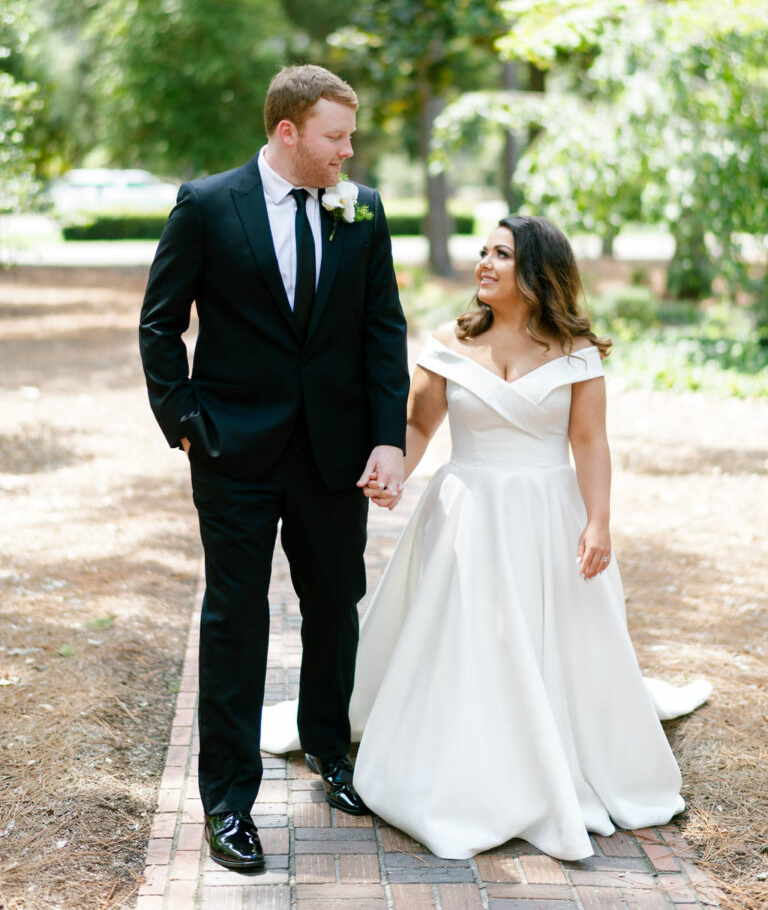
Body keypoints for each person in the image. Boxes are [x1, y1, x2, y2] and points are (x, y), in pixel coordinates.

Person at [260, 214, 710, 861]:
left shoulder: (575, 351)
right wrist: (392, 474)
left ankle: (556, 749)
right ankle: (469, 752)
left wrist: (598, 520)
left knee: (549, 638)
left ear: (537, 273)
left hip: (549, 513)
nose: (484, 262)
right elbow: (417, 427)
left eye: (502, 253)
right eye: (483, 251)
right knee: (468, 634)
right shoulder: (448, 343)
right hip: (467, 510)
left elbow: (589, 440)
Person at [138, 64, 409, 873]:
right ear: (287, 132)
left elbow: (381, 330)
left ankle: (332, 753)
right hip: (234, 452)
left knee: (336, 603)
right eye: (336, 136)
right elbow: (160, 324)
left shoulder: (361, 210)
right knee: (235, 617)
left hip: (334, 452)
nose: (347, 151)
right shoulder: (207, 204)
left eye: (350, 135)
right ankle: (228, 802)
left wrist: (387, 438)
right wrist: (184, 420)